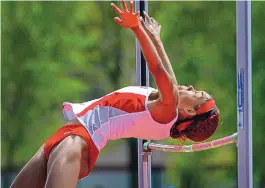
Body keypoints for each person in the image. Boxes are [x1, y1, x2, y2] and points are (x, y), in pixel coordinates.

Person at [10, 1, 220, 188]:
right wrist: (156, 38)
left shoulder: (167, 107)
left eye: (197, 94)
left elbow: (157, 68)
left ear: (190, 110)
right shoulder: (169, 105)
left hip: (79, 141)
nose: (192, 87)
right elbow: (166, 71)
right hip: (67, 134)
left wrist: (137, 28)